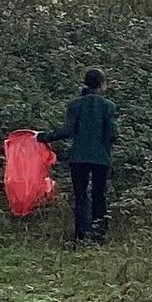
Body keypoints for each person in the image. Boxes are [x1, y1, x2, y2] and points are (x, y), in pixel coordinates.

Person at [45, 69, 119, 242]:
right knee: (99, 195)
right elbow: (113, 134)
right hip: (101, 158)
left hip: (78, 158)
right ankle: (99, 235)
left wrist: (44, 137)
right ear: (102, 84)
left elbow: (67, 130)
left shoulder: (75, 105)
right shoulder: (109, 106)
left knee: (81, 196)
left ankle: (81, 236)